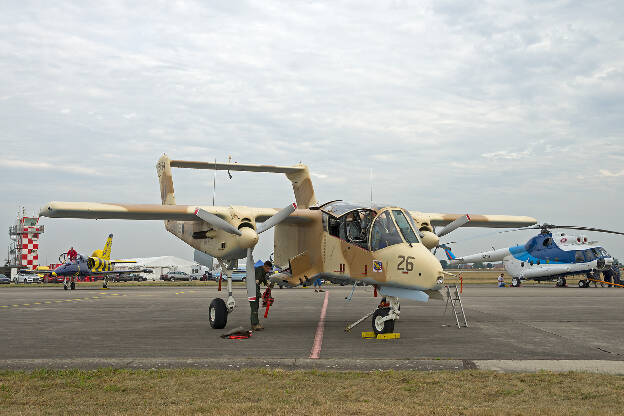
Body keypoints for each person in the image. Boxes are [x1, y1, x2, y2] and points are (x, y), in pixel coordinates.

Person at [250, 260, 272, 331]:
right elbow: (255, 284)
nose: (268, 271)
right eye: (268, 269)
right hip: (252, 290)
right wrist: (261, 295)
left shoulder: (263, 271)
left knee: (256, 307)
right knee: (254, 308)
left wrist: (267, 284)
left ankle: (256, 323)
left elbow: (263, 279)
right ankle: (254, 325)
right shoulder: (259, 270)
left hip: (255, 290)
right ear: (264, 266)